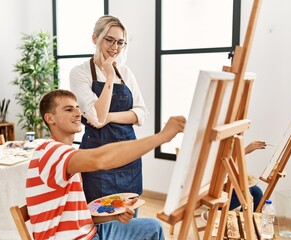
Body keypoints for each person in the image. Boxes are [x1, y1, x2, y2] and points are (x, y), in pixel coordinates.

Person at [25, 89, 185, 239]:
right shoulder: (51, 152)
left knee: (153, 227)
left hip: (90, 232)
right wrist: (162, 136)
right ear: (50, 118)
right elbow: (100, 159)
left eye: (77, 108)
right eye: (69, 109)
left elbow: (76, 215)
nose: (77, 113)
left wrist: (112, 216)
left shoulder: (65, 152)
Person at [70, 15, 148, 205]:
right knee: (99, 216)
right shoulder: (80, 73)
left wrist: (111, 117)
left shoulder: (126, 72)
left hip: (127, 156)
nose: (115, 47)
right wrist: (110, 76)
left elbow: (141, 114)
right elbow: (98, 116)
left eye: (120, 42)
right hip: (97, 158)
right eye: (109, 40)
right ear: (95, 38)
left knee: (130, 215)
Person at [201, 141, 266, 222]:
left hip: (225, 180)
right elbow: (222, 164)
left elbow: (230, 162)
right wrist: (244, 151)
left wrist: (244, 151)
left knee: (257, 192)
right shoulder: (213, 145)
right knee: (246, 192)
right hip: (215, 185)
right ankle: (216, 212)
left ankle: (251, 222)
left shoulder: (228, 143)